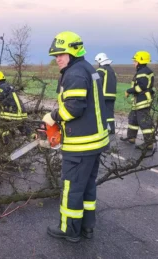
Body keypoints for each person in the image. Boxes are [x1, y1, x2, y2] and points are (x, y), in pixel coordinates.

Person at [42, 31, 110, 242]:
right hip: (94, 142)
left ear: (72, 52)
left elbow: (73, 109)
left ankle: (69, 230)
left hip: (81, 145)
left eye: (61, 55)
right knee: (87, 187)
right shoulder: (88, 68)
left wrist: (52, 117)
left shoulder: (74, 74)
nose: (57, 59)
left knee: (71, 188)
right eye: (56, 56)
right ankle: (87, 227)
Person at [120, 51, 155, 150]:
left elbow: (141, 87)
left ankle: (149, 143)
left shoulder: (143, 72)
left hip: (143, 100)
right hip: (138, 100)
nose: (133, 63)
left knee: (144, 122)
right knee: (133, 119)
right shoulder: (143, 71)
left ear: (140, 61)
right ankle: (131, 138)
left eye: (135, 61)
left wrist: (129, 91)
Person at [0, 71, 29, 144]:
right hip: (23, 113)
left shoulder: (1, 88)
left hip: (14, 113)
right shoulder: (9, 86)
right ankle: (32, 135)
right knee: (20, 124)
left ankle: (6, 140)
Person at [95, 53, 117, 134]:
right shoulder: (112, 71)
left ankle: (105, 129)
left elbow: (96, 82)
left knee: (102, 113)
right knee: (110, 114)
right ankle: (111, 129)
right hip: (112, 96)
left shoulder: (100, 70)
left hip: (103, 96)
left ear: (100, 61)